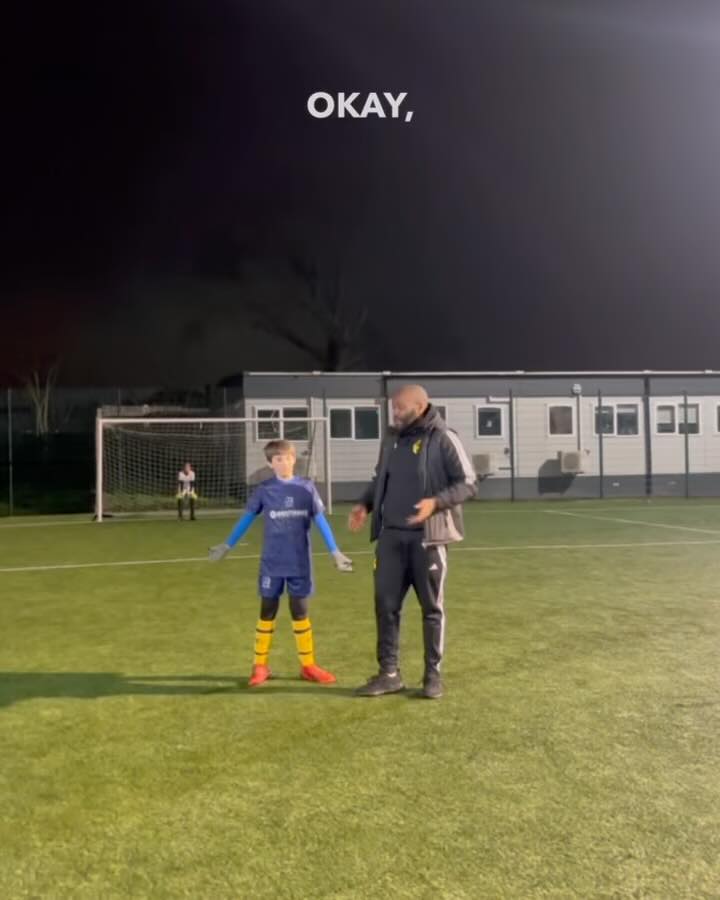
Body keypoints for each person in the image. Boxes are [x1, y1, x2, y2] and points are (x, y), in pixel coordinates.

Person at [349, 385, 476, 699]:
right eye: (393, 407)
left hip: (428, 539)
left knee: (431, 609)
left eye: (400, 408)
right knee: (386, 607)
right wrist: (365, 505)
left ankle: (433, 676)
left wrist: (437, 502)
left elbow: (469, 484)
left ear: (420, 406)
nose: (394, 412)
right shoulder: (391, 438)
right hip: (391, 538)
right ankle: (389, 674)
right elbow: (381, 478)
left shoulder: (444, 437)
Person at [209, 439, 353, 687]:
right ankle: (260, 666)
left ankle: (308, 666)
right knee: (267, 611)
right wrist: (227, 544)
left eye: (287, 458)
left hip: (299, 563)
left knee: (300, 612)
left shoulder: (306, 488)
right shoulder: (265, 490)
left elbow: (320, 521)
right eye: (277, 459)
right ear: (269, 463)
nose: (283, 462)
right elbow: (246, 519)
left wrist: (335, 551)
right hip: (272, 563)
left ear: (294, 459)